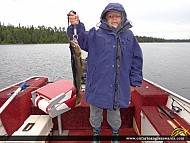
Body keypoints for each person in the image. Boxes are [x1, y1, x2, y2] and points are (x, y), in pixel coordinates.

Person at [67, 3, 143, 143]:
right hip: (97, 84)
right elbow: (79, 39)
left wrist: (134, 81)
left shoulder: (129, 36)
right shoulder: (96, 34)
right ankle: (96, 133)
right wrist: (75, 25)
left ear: (123, 17)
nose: (114, 18)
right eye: (110, 16)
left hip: (118, 85)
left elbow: (136, 59)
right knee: (95, 113)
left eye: (117, 16)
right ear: (105, 18)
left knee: (114, 114)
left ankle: (115, 134)